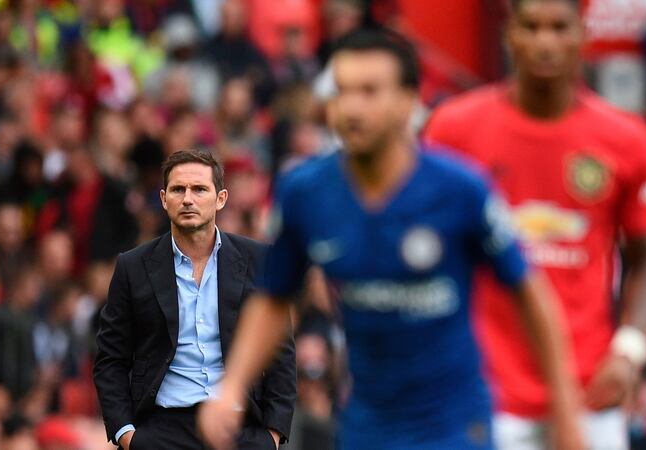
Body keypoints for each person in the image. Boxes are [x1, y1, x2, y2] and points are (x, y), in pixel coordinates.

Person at [198, 28, 583, 450]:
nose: (352, 107)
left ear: (408, 100)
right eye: (342, 91)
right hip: (367, 425)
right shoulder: (306, 192)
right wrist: (232, 385)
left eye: (369, 91)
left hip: (454, 425)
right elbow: (274, 298)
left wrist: (563, 407)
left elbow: (529, 294)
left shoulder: (461, 190)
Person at [423, 1, 646, 449]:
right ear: (509, 34)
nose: (545, 42)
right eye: (531, 27)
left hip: (589, 393)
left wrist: (629, 353)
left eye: (559, 27)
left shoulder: (627, 140)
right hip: (481, 392)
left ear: (583, 33)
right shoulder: (453, 129)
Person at [93, 150, 296, 450]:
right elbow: (110, 358)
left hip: (241, 428)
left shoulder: (259, 259)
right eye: (178, 189)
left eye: (199, 189)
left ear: (221, 198)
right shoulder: (132, 266)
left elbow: (280, 352)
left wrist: (273, 435)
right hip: (161, 429)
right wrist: (127, 435)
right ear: (163, 199)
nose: (188, 198)